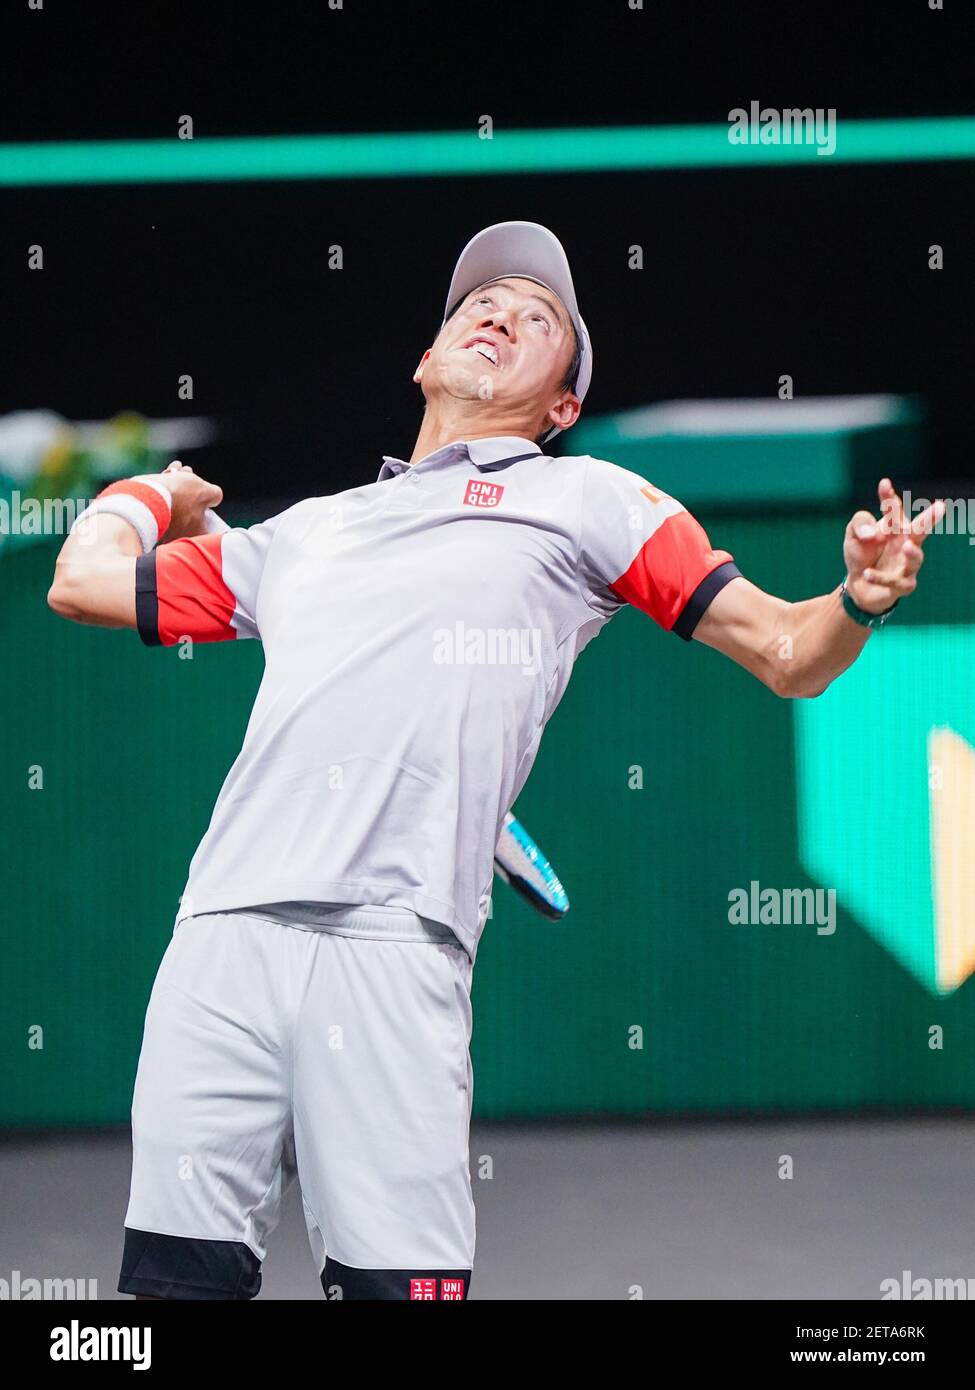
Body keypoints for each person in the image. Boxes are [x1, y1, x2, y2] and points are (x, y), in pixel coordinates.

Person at [47, 221, 943, 1300]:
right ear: (427, 357)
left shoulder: (593, 502)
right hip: (221, 942)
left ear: (562, 404)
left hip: (396, 947)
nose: (501, 312)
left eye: (540, 316)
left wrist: (856, 598)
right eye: (480, 301)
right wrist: (156, 491)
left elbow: (789, 652)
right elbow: (82, 582)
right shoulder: (302, 535)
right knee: (163, 1298)